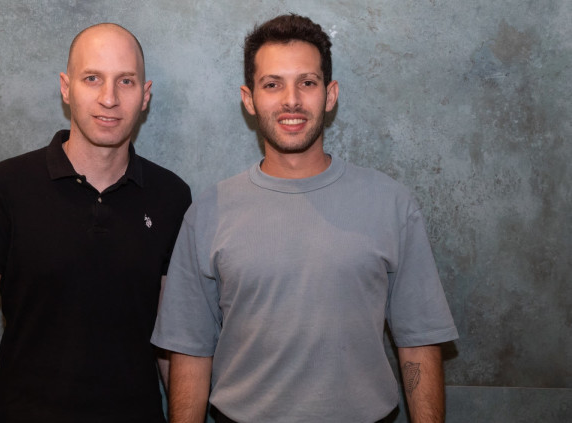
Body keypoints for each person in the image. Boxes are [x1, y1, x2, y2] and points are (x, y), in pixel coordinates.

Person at [151, 14, 458, 423]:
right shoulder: (209, 211)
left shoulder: (392, 204)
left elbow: (419, 342)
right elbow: (191, 349)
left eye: (307, 83)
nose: (291, 100)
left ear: (330, 95)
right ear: (249, 99)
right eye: (272, 84)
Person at [0, 23, 191, 422]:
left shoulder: (171, 196)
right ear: (66, 88)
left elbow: (173, 337)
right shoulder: (5, 187)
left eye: (126, 81)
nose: (109, 98)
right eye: (92, 78)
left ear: (145, 95)